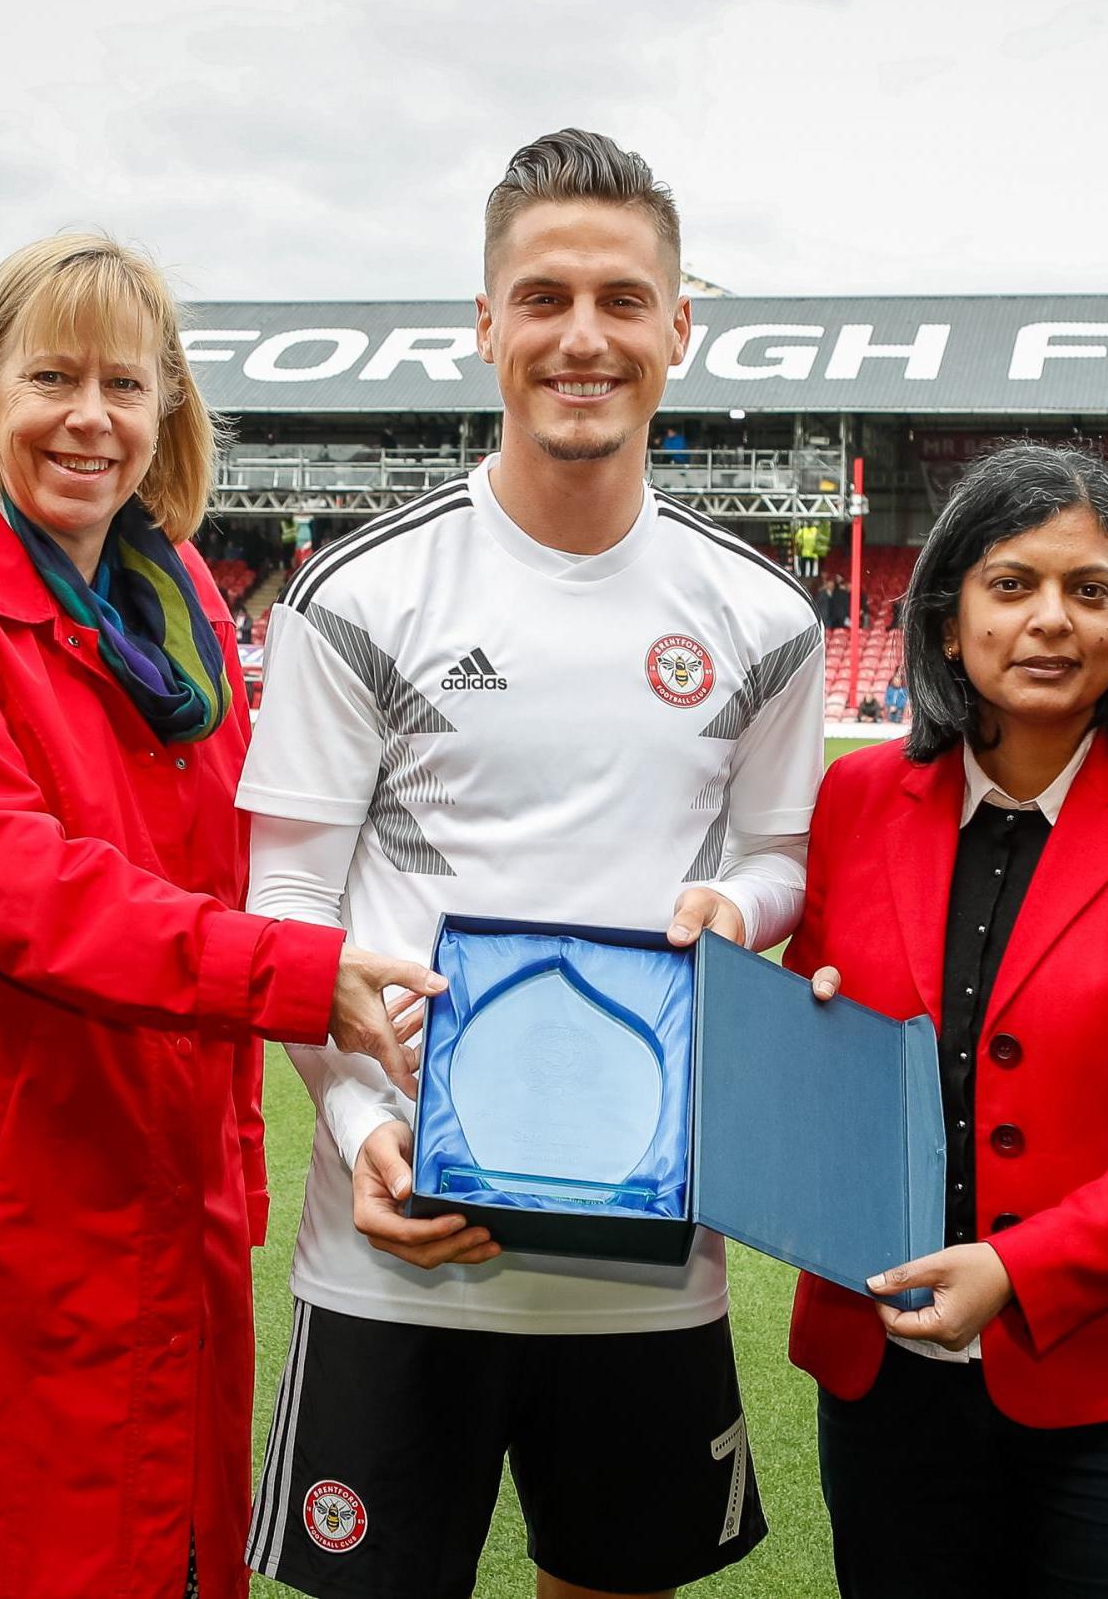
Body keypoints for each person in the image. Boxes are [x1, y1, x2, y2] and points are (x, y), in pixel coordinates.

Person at [0, 233, 441, 1599]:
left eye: (126, 385)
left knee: (156, 1539)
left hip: (157, 1169)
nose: (91, 416)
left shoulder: (178, 591)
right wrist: (301, 972)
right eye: (52, 377)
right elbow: (17, 885)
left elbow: (246, 856)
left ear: (165, 415)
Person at [235, 130, 823, 1599]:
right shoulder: (358, 594)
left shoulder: (763, 619)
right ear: (484, 322)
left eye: (624, 299)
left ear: (679, 327)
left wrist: (732, 907)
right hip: (396, 1238)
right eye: (543, 295)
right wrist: (369, 1118)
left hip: (646, 1262)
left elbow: (773, 856)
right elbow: (290, 904)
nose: (583, 335)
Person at [786, 443, 1108, 1598]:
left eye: (1088, 589)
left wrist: (1017, 1266)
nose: (1049, 618)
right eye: (1009, 584)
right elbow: (817, 1053)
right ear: (948, 622)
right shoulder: (855, 800)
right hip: (888, 1374)